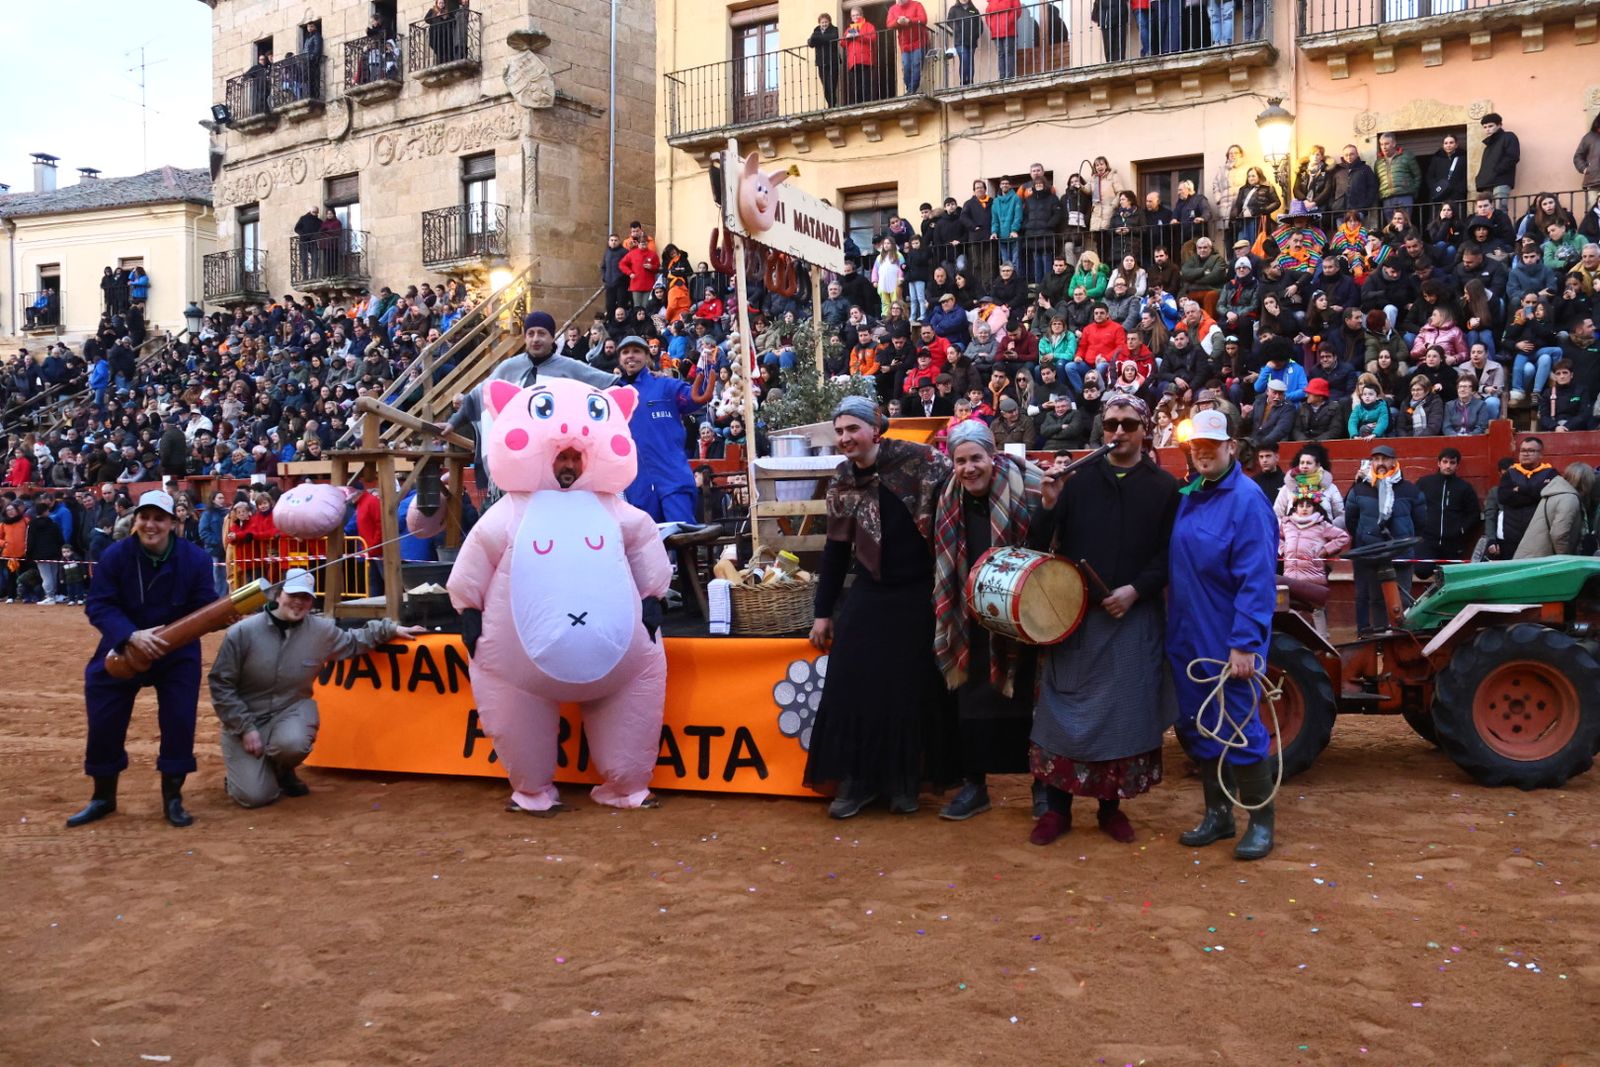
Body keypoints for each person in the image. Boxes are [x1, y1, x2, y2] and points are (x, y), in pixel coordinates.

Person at [1027, 395, 1180, 845]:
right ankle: (1056, 810)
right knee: (1062, 713)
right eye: (1110, 423)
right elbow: (1039, 546)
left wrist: (1136, 590)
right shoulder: (1076, 481)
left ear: (1144, 430)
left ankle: (1109, 809)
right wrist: (1049, 505)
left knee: (1121, 716)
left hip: (1132, 616)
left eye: (1128, 424)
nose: (1118, 432)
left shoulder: (1163, 488)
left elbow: (1168, 554)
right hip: (1075, 616)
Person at [806, 396, 955, 817]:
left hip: (919, 590)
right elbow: (835, 552)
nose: (845, 438)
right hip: (871, 588)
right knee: (849, 681)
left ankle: (903, 781)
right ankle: (857, 780)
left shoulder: (923, 462)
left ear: (876, 428)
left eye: (852, 429)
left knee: (909, 689)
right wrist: (823, 612)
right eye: (839, 431)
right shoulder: (842, 480)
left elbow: (962, 496)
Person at [1165, 408, 1281, 860]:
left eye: (1213, 446)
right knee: (1197, 726)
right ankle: (1219, 815)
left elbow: (1257, 579)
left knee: (1238, 726)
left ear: (1232, 446)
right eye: (1197, 447)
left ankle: (1260, 822)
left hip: (1227, 638)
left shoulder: (1248, 501)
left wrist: (1245, 644)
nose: (1204, 453)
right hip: (1187, 632)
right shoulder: (1191, 494)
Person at [208, 568, 423, 807]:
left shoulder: (321, 631)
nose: (298, 603)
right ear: (278, 595)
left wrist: (390, 629)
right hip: (246, 717)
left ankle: (282, 769)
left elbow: (354, 641)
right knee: (255, 797)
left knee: (294, 742)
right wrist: (244, 727)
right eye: (293, 595)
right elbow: (221, 683)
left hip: (289, 710)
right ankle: (246, 776)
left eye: (306, 597)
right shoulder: (242, 632)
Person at [69, 490, 216, 829]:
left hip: (176, 652)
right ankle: (103, 796)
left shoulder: (196, 559)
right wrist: (130, 636)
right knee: (104, 715)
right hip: (123, 645)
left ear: (173, 524)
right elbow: (99, 605)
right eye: (144, 517)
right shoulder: (115, 556)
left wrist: (222, 615)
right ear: (135, 520)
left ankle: (173, 797)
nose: (151, 525)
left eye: (159, 519)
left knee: (180, 720)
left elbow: (204, 605)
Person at [931, 420, 1047, 820]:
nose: (969, 468)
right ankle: (974, 785)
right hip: (970, 614)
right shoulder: (946, 498)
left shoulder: (1031, 487)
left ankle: (1043, 786)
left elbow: (1052, 539)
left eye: (976, 458)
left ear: (992, 455)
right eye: (960, 461)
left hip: (1025, 615)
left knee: (1030, 699)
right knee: (972, 698)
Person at [441, 311, 613, 495]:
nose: (536, 339)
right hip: (518, 458)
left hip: (556, 463)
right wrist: (453, 423)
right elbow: (478, 395)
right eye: (531, 334)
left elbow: (610, 383)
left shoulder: (569, 367)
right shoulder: (508, 368)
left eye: (541, 333)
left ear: (551, 337)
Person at [614, 335, 715, 523]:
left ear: (647, 356)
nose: (631, 356)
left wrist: (706, 368)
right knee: (648, 547)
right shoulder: (613, 394)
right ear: (619, 359)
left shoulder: (665, 385)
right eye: (626, 352)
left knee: (684, 542)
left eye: (636, 351)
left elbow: (697, 397)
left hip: (673, 477)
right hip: (638, 485)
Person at [1345, 444, 1426, 634]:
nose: (1380, 463)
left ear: (1394, 462)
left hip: (1402, 552)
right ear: (1371, 462)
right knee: (1376, 599)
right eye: (1376, 459)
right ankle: (1381, 638)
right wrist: (1367, 537)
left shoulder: (1410, 490)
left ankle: (1401, 637)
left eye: (1385, 459)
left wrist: (1403, 536)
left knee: (1403, 599)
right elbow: (1351, 520)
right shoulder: (1359, 489)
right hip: (1373, 553)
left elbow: (1421, 521)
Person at [1279, 491, 1349, 636]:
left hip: (1314, 576)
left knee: (1317, 610)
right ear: (1295, 507)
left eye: (1309, 505)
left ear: (1315, 508)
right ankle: (1296, 640)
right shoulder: (1287, 524)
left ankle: (1323, 641)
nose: (1304, 508)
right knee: (1292, 610)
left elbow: (1343, 537)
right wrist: (1282, 549)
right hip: (1290, 577)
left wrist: (1325, 550)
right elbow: (1273, 537)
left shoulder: (1322, 525)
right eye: (1301, 505)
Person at [1415, 447, 1481, 574]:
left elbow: (1473, 514)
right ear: (1438, 463)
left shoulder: (1464, 487)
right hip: (1427, 540)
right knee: (1422, 571)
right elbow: (1413, 505)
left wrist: (1461, 530)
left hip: (1452, 543)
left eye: (1452, 462)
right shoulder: (1424, 483)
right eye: (1445, 462)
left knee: (1450, 576)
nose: (1448, 466)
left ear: (1457, 465)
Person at [1512, 457, 1583, 558]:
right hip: (1542, 562)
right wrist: (1564, 558)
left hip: (1530, 557)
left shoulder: (1554, 492)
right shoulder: (1569, 498)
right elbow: (1559, 534)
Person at [1475, 113, 1520, 210]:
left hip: (1501, 181)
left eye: (1491, 126)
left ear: (1499, 125)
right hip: (1487, 184)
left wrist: (1497, 170)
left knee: (1500, 210)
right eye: (1485, 127)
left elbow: (1513, 157)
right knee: (1487, 212)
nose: (1487, 129)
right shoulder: (1488, 146)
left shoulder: (1509, 137)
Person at [806, 13, 842, 108]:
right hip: (821, 63)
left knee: (832, 84)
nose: (824, 24)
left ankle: (832, 104)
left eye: (826, 22)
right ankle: (831, 104)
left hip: (832, 61)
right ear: (819, 23)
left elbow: (833, 37)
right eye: (822, 22)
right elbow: (811, 43)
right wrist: (821, 39)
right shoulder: (816, 30)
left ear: (829, 22)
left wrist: (818, 38)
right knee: (825, 86)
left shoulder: (834, 29)